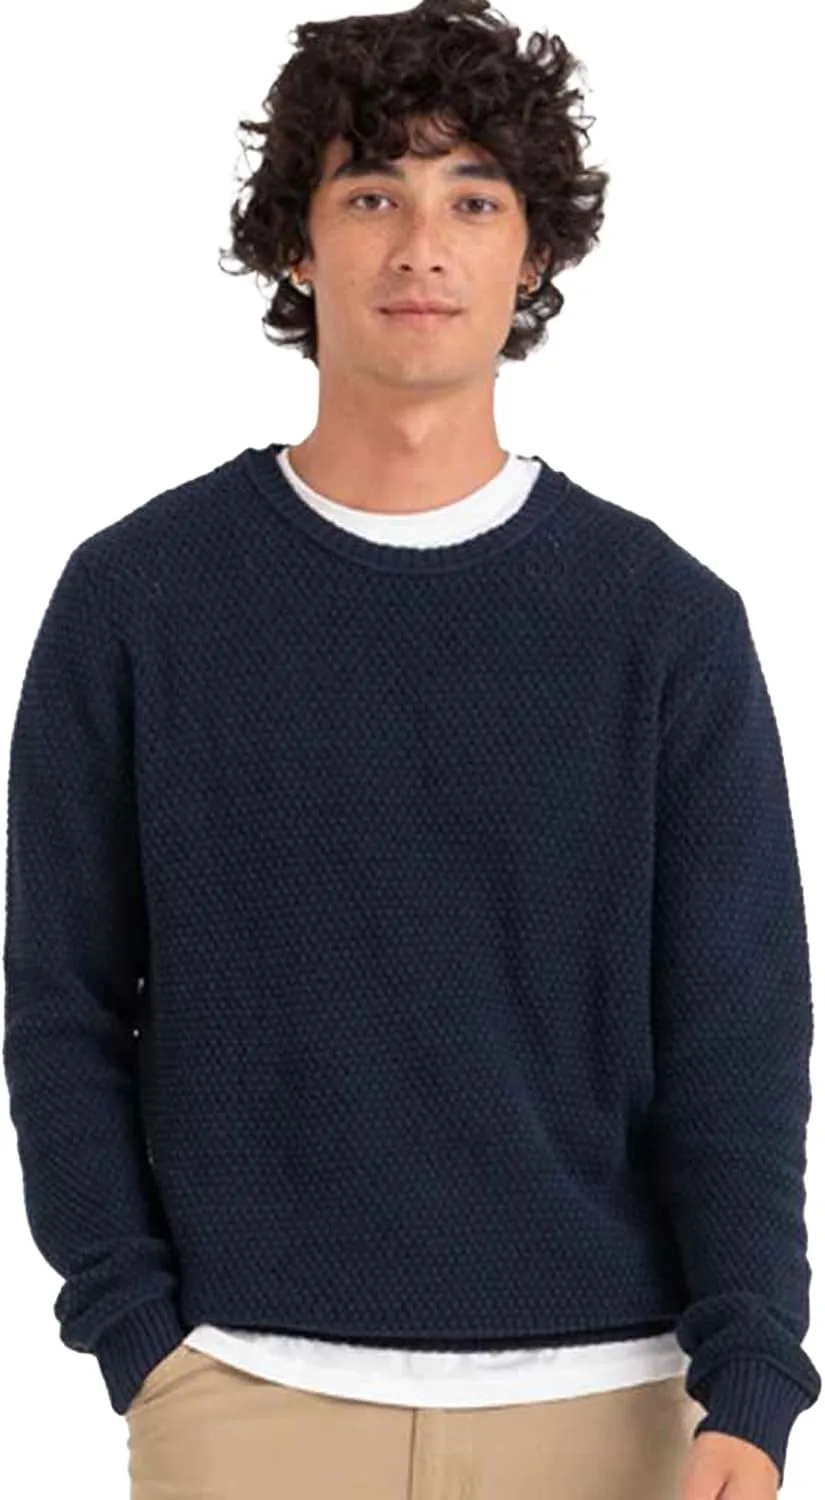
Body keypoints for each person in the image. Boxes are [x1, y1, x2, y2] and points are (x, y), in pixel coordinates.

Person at [3, 1, 819, 1496]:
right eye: (372, 194)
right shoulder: (139, 600)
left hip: (613, 1407)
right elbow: (61, 999)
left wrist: (755, 1381)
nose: (422, 247)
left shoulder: (666, 624)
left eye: (475, 200)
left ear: (536, 252)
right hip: (245, 1401)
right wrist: (139, 1334)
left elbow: (740, 1041)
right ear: (296, 245)